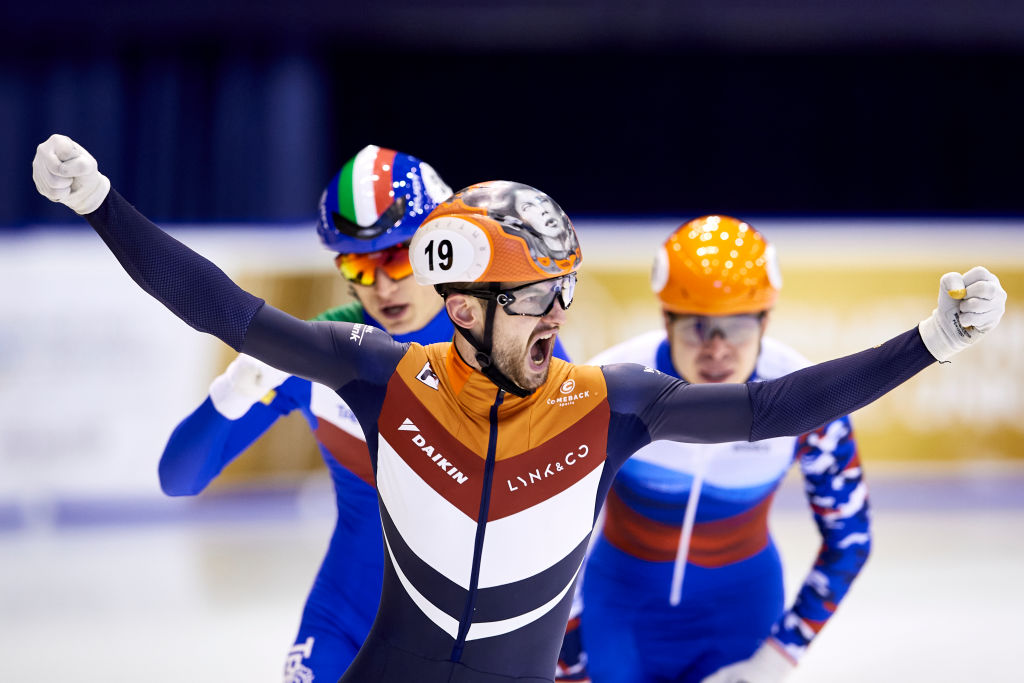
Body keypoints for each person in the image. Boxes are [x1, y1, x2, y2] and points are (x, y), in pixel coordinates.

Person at [33, 133, 1006, 683]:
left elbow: (770, 406)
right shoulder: (370, 369)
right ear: (466, 304)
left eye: (561, 293)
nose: (558, 316)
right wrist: (104, 206)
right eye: (536, 297)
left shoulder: (602, 397)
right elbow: (218, 318)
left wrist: (929, 340)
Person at [555, 215, 868, 683]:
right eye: (698, 327)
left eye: (737, 326)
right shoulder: (608, 386)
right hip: (616, 615)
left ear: (765, 321)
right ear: (666, 319)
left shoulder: (806, 400)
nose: (717, 350)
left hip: (739, 618)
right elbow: (548, 535)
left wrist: (778, 656)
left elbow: (850, 540)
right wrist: (569, 659)